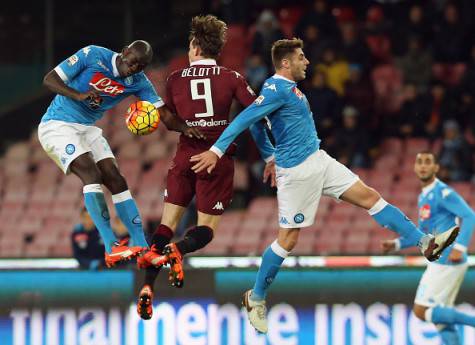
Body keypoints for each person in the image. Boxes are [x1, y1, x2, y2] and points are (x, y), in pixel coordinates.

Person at [190, 38, 459, 333]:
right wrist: (217, 151)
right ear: (286, 63)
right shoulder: (275, 88)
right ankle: (256, 297)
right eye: (301, 57)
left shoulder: (288, 89)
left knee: (371, 197)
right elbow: (246, 118)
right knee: (287, 241)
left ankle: (424, 243)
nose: (307, 62)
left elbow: (258, 122)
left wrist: (269, 154)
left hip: (319, 159)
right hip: (297, 174)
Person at [39, 40, 202, 268]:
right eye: (133, 61)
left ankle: (140, 244)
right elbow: (49, 80)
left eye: (141, 66)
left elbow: (163, 114)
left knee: (116, 179)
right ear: (125, 52)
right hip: (57, 125)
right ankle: (110, 246)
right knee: (92, 175)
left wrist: (186, 128)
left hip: (87, 129)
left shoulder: (138, 82)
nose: (134, 68)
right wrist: (80, 95)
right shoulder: (93, 55)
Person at [135, 15, 257, 320]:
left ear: (194, 45)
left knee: (164, 227)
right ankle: (179, 250)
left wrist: (187, 127)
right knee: (205, 229)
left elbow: (167, 118)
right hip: (215, 160)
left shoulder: (175, 79)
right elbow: (255, 111)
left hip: (185, 158)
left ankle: (148, 287)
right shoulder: (232, 78)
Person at [382, 151, 475, 345]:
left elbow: (469, 215)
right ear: (415, 168)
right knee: (440, 319)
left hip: (448, 258)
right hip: (441, 259)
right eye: (420, 162)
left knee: (421, 311)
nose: (423, 165)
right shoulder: (424, 197)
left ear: (436, 168)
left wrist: (460, 247)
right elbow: (423, 235)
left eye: (428, 162)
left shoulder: (442, 192)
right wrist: (397, 244)